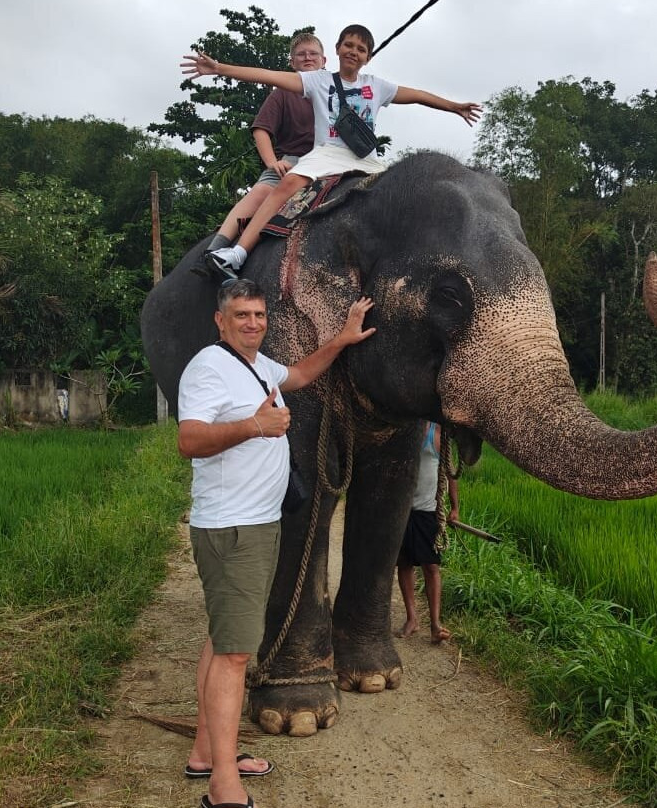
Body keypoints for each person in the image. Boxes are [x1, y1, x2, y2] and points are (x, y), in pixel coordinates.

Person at [178, 278, 375, 808]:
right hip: (232, 529)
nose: (252, 323)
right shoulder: (208, 368)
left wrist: (342, 338)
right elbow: (188, 440)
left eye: (259, 315)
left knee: (222, 642)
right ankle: (223, 783)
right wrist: (254, 426)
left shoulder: (261, 366)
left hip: (258, 525)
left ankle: (206, 752)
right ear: (220, 320)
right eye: (241, 315)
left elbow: (304, 373)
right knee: (237, 655)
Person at [181, 23, 482, 279]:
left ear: (368, 57)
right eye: (348, 45)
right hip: (327, 153)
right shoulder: (317, 80)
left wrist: (453, 106)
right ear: (337, 50)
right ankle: (237, 252)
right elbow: (266, 75)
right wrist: (219, 68)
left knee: (403, 193)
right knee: (286, 185)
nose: (353, 51)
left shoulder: (376, 86)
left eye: (360, 49)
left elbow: (416, 95)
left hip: (364, 158)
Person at [198, 33, 327, 280]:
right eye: (301, 54)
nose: (307, 58)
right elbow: (261, 130)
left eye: (313, 53)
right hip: (291, 162)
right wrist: (272, 163)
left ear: (324, 60)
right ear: (292, 62)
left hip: (329, 162)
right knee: (260, 192)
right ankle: (215, 251)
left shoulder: (335, 90)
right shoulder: (282, 93)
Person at [395, 421, 459, 644]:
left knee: (431, 566)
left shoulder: (436, 434)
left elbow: (450, 474)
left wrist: (454, 508)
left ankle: (435, 623)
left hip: (427, 511)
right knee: (404, 563)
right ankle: (412, 618)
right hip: (402, 509)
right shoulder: (402, 428)